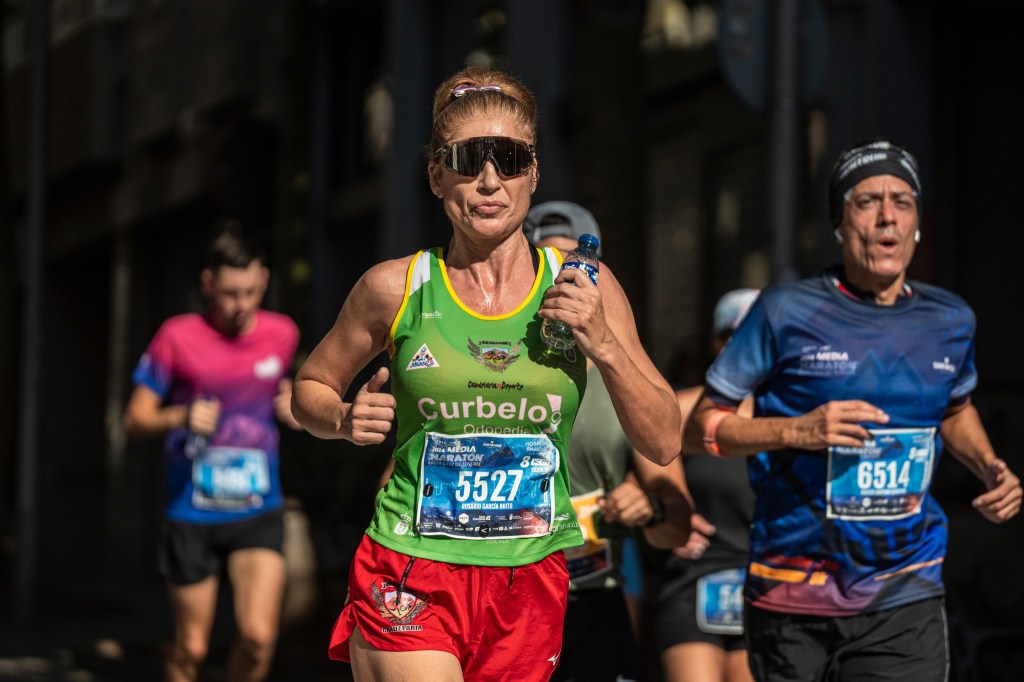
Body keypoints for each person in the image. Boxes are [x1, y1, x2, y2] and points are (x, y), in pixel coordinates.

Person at [290, 66, 681, 682]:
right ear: (436, 174)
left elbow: (663, 440)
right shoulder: (395, 287)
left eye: (509, 158)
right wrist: (341, 418)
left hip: (529, 574)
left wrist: (602, 343)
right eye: (469, 160)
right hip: (411, 563)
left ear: (534, 173)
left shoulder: (584, 285)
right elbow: (308, 389)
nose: (490, 181)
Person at [682, 138, 1023, 681]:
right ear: (840, 224)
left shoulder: (951, 320)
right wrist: (800, 429)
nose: (887, 216)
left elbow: (955, 409)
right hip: (792, 592)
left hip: (904, 589)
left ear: (917, 224)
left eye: (902, 201)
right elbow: (703, 428)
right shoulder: (785, 311)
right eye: (866, 202)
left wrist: (988, 466)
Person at [525, 201, 694, 682]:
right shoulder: (497, 366)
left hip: (593, 597)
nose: (564, 286)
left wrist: (651, 507)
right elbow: (404, 479)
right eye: (547, 270)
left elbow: (678, 520)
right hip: (506, 593)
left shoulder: (623, 380)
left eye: (575, 270)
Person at [123, 228, 301, 682]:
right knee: (191, 648)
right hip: (192, 510)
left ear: (263, 279)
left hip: (257, 506)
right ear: (207, 284)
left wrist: (296, 408)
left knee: (259, 637)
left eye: (250, 292)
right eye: (228, 294)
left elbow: (298, 402)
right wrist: (180, 417)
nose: (241, 304)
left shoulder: (283, 334)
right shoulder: (177, 336)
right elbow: (134, 418)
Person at [652, 288, 759, 682]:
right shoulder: (682, 407)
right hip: (694, 579)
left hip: (768, 581)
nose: (745, 345)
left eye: (758, 334)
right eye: (734, 333)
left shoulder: (791, 416)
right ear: (716, 341)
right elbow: (645, 455)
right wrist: (672, 504)